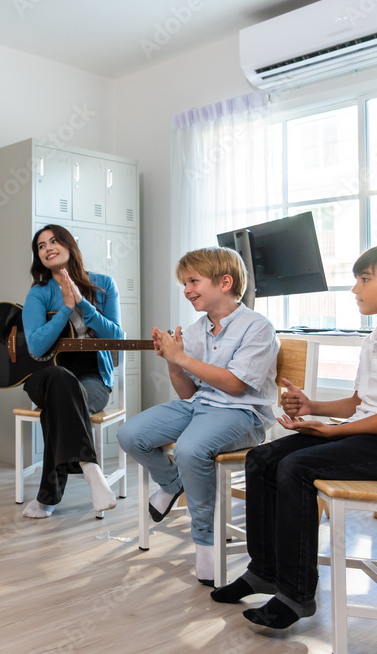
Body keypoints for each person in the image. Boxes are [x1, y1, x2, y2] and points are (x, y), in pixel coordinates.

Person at [211, 243, 377, 629]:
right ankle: (264, 570)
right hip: (376, 439)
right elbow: (362, 402)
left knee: (296, 467)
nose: (355, 289)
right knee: (261, 458)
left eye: (364, 279)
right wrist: (313, 407)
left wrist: (334, 433)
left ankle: (296, 596)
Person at [116, 246, 278, 586]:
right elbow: (188, 393)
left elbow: (235, 387)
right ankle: (173, 483)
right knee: (130, 434)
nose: (187, 290)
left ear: (225, 282)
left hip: (241, 414)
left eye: (193, 281)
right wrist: (173, 362)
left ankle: (204, 540)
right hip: (200, 406)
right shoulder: (195, 330)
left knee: (190, 449)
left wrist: (184, 359)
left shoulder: (257, 328)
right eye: (184, 283)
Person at [19, 224, 123, 519]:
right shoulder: (38, 293)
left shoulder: (104, 285)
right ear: (38, 256)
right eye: (41, 246)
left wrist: (81, 303)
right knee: (60, 381)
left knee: (56, 408)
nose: (48, 248)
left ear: (69, 245)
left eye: (54, 241)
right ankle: (92, 469)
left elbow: (116, 337)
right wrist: (65, 308)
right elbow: (37, 347)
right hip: (46, 376)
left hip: (92, 380)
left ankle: (46, 500)